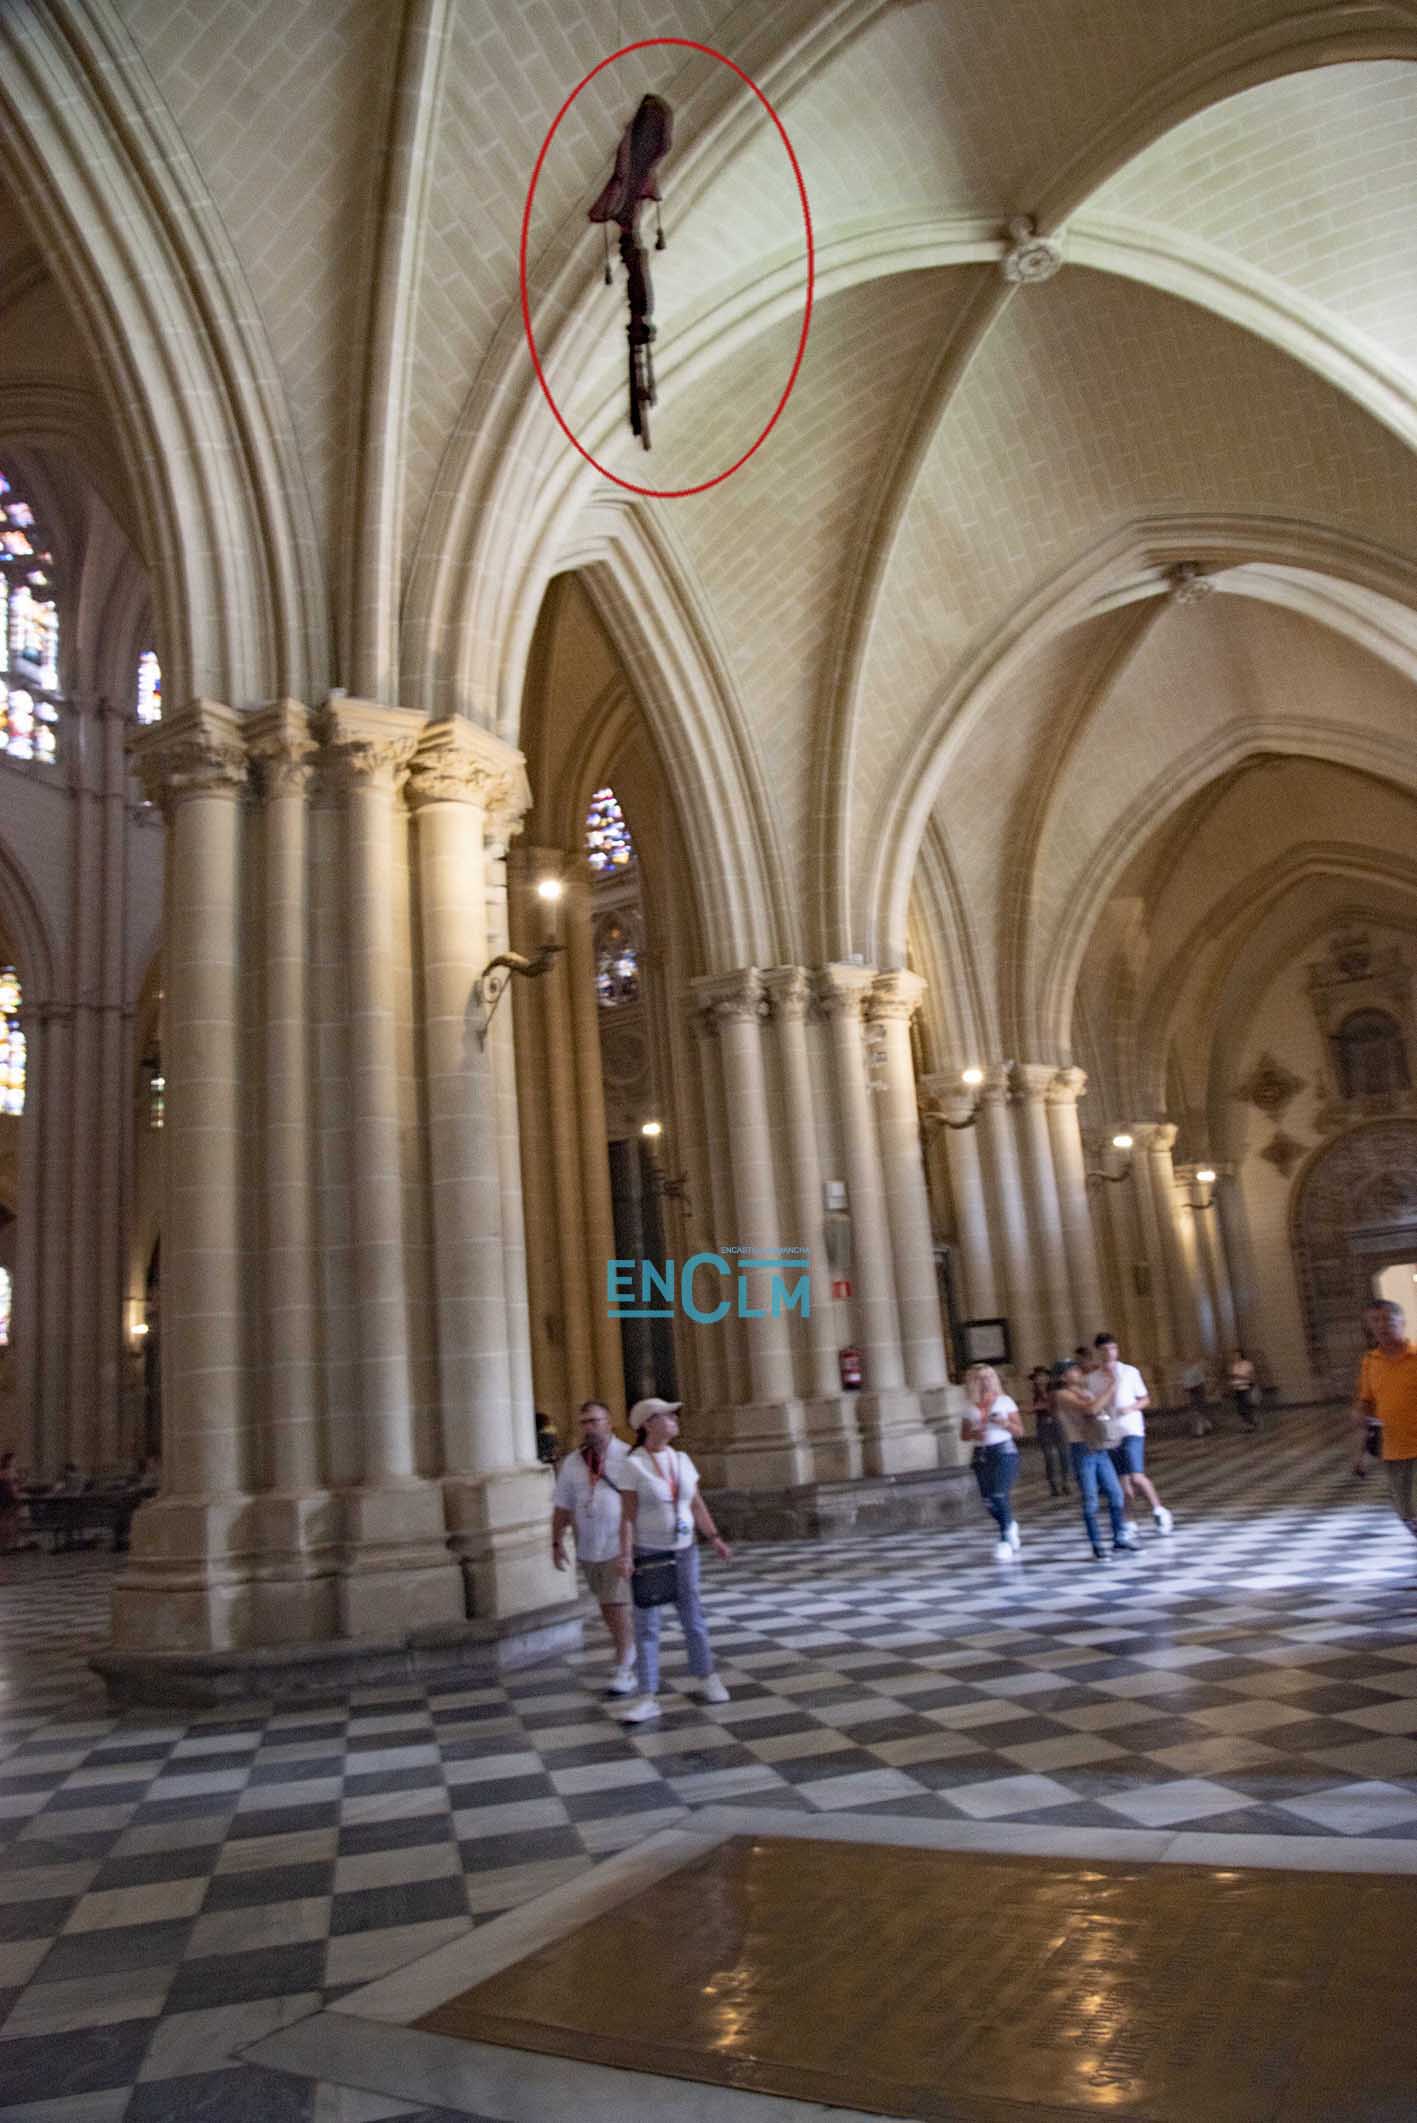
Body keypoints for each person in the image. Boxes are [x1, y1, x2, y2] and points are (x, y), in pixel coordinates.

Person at [610, 1397, 732, 1724]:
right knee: (648, 1625)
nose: (674, 1419)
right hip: (649, 1552)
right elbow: (627, 1517)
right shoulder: (634, 1464)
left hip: (685, 1549)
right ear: (648, 1424)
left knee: (693, 1617)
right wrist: (626, 1555)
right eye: (666, 1415)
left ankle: (706, 1675)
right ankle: (647, 1696)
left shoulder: (682, 1459)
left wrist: (714, 1538)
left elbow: (696, 1504)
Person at [551, 1399, 636, 1696]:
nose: (589, 1427)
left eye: (594, 1421)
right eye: (584, 1422)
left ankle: (625, 1662)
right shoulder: (573, 1462)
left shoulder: (627, 1457)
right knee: (606, 1604)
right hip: (589, 1545)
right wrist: (556, 1540)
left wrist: (630, 1549)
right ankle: (627, 1650)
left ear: (609, 1423)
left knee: (615, 1603)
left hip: (617, 1543)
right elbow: (562, 1505)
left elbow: (636, 1502)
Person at [1087, 1333, 1174, 1535]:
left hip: (1132, 1429)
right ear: (1099, 1352)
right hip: (1110, 1433)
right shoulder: (1092, 1378)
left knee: (1136, 1476)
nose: (1110, 1353)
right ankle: (1129, 1519)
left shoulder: (1129, 1372)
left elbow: (1145, 1399)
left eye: (1113, 1348)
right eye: (1105, 1349)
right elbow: (1093, 1404)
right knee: (1122, 1480)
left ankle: (1159, 1510)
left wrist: (1131, 1408)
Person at [1050, 1360, 1136, 1560]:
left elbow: (1100, 1408)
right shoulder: (1061, 1395)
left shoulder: (1085, 1391)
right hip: (1081, 1449)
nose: (1077, 1371)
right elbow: (1089, 1409)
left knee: (1116, 1494)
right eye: (1072, 1370)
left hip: (1098, 1447)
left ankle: (1119, 1537)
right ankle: (1096, 1543)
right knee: (1091, 1500)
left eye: (1077, 1368)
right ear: (1063, 1376)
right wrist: (1111, 1387)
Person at [1352, 1299, 1417, 1542]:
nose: (1382, 1325)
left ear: (1402, 1322)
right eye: (1375, 1320)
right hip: (1392, 1451)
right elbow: (1367, 1403)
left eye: (1388, 1320)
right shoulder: (1370, 1362)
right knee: (1405, 1512)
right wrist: (1360, 1454)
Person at [961, 1364, 1022, 1559]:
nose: (985, 1381)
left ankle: (1005, 1540)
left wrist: (1005, 1423)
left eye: (989, 1376)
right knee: (988, 1500)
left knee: (999, 1495)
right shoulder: (969, 1406)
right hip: (981, 1454)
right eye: (980, 1378)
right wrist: (975, 1433)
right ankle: (1009, 1523)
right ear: (973, 1382)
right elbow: (964, 1435)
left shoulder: (1005, 1401)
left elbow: (1019, 1431)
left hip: (1004, 1452)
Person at [1030, 1364, 1069, 1496]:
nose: (1041, 1379)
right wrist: (1039, 1406)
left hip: (1057, 1422)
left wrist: (1041, 1406)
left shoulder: (1055, 1389)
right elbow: (1033, 1407)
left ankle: (1065, 1482)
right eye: (1038, 1377)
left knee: (1063, 1453)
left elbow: (1054, 1405)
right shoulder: (1035, 1392)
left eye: (1043, 1376)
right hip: (1043, 1424)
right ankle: (1053, 1484)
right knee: (1048, 1456)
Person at [1228, 1349, 1258, 1431]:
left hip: (1246, 1387)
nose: (1235, 1357)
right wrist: (1232, 1382)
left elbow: (1252, 1377)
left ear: (1241, 1355)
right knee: (1240, 1408)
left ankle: (1251, 1424)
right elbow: (1233, 1377)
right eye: (1234, 1356)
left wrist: (1240, 1377)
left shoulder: (1247, 1364)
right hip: (1237, 1388)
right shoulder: (1234, 1365)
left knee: (1246, 1406)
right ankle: (1246, 1423)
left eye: (1236, 1355)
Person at [1181, 1358, 1212, 1437]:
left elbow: (1201, 1382)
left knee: (1198, 1411)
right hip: (1191, 1392)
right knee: (1197, 1411)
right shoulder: (1186, 1372)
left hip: (1197, 1391)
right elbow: (1185, 1384)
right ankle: (1206, 1426)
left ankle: (1200, 1430)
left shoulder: (1196, 1370)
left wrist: (1201, 1392)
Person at [0, 1451, 21, 1553]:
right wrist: (16, 1495)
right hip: (8, 1498)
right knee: (9, 1521)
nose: (15, 1461)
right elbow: (12, 1487)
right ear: (8, 1461)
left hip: (5, 1498)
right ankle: (9, 1545)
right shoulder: (9, 1472)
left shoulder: (4, 1472)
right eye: (13, 1459)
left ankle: (6, 1545)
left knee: (6, 1520)